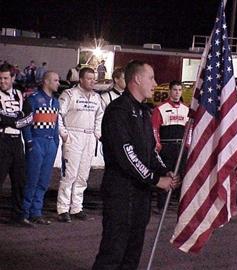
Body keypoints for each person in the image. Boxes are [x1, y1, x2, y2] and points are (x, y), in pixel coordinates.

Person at [92, 60, 178, 270]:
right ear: (137, 79)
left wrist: (164, 170)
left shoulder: (144, 112)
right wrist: (156, 180)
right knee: (114, 252)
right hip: (121, 193)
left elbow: (149, 151)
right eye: (151, 78)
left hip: (140, 195)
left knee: (133, 252)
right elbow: (126, 154)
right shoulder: (119, 110)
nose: (155, 83)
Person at [57, 67, 104, 222]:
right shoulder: (69, 94)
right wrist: (64, 134)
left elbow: (100, 117)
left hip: (89, 137)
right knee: (69, 174)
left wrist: (98, 133)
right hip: (73, 135)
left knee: (83, 175)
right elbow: (58, 114)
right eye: (89, 78)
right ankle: (63, 208)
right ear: (81, 79)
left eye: (94, 78)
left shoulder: (97, 98)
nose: (92, 81)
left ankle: (77, 207)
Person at [21, 71, 60, 226]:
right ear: (46, 81)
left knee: (44, 180)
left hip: (50, 143)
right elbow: (26, 123)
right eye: (55, 80)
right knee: (32, 179)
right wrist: (30, 142)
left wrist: (56, 142)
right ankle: (24, 212)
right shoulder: (33, 100)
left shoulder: (56, 102)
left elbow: (56, 124)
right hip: (37, 142)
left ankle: (36, 212)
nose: (58, 83)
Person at [0, 63, 33, 225]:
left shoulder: (19, 95)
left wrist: (12, 122)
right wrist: (16, 119)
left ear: (13, 78)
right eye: (0, 78)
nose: (2, 81)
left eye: (6, 78)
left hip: (16, 142)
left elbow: (29, 117)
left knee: (20, 181)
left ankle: (18, 216)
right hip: (2, 141)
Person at [151, 80, 189, 214]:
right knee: (166, 173)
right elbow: (154, 128)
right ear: (170, 91)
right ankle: (161, 205)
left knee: (182, 175)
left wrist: (188, 144)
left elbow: (189, 129)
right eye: (175, 90)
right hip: (167, 146)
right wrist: (158, 144)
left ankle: (179, 204)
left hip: (181, 146)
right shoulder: (160, 108)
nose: (177, 92)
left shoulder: (186, 109)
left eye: (179, 90)